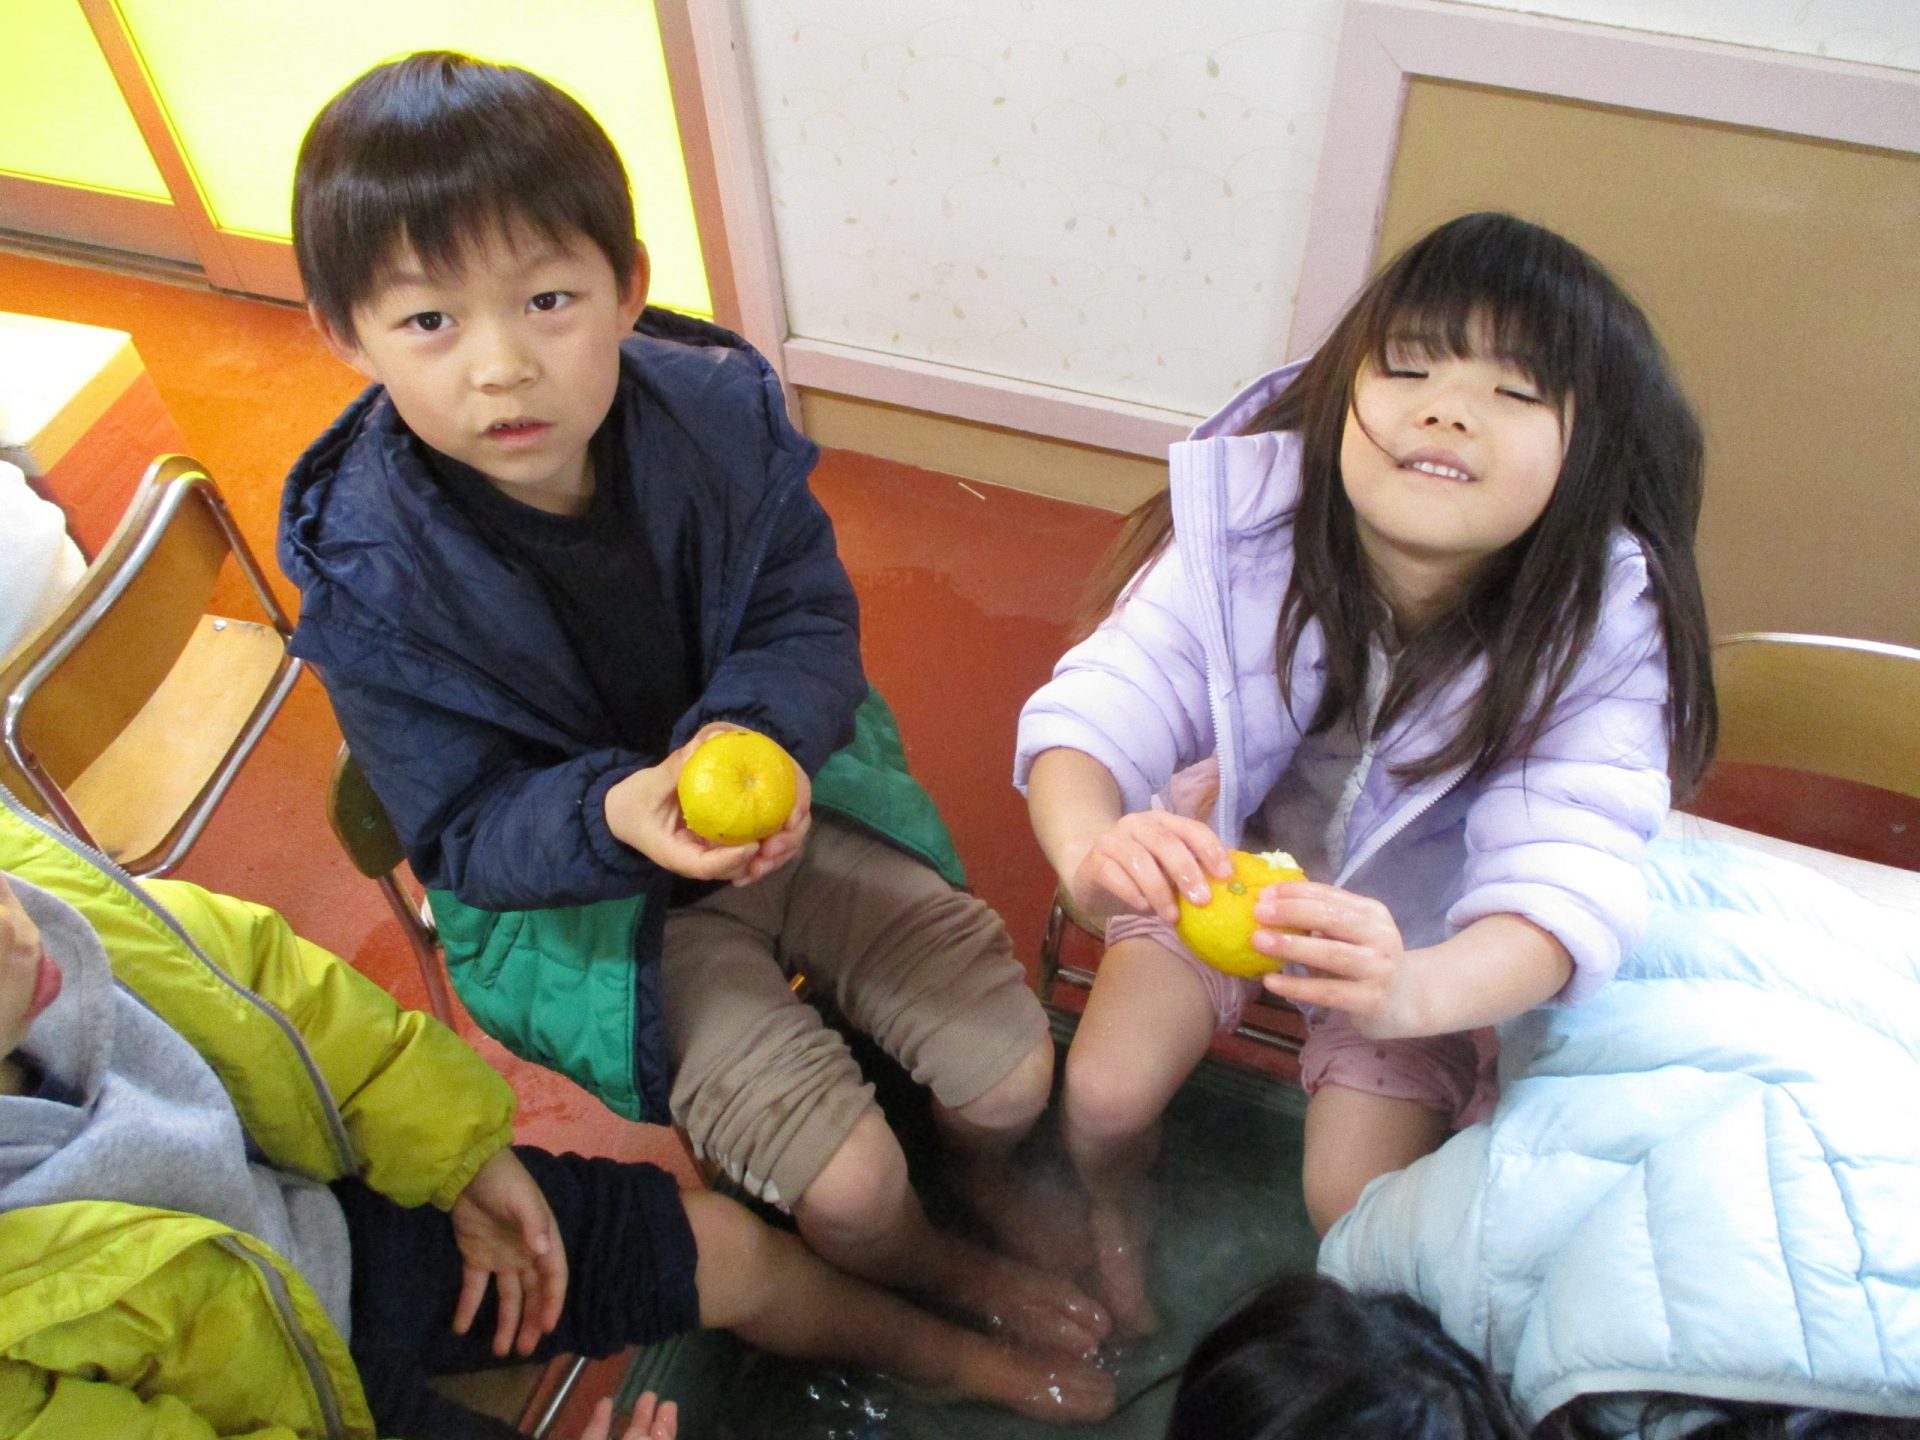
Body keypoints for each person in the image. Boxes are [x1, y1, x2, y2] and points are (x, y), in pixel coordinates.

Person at [276, 50, 1110, 1391]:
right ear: (344, 336)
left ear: (628, 287)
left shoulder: (717, 420)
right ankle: (924, 1265)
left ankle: (980, 1176)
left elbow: (803, 615)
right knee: (849, 1189)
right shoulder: (370, 577)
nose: (502, 367)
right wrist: (616, 814)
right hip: (587, 911)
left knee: (1012, 1080)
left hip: (794, 805)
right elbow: (465, 833)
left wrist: (756, 732)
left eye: (548, 300)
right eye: (429, 320)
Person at [1017, 212, 1716, 1331]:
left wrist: (1410, 993)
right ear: (1343, 392)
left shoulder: (1598, 629)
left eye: (1515, 390)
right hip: (1227, 856)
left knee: (1353, 1204)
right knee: (1100, 1097)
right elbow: (1106, 698)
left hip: (1420, 936)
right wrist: (1089, 846)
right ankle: (1115, 1211)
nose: (1447, 407)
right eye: (1410, 365)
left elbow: (1565, 883)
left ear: (1591, 453)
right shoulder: (1258, 528)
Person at [0, 787, 1119, 1434]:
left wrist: (461, 1154)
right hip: (278, 1403)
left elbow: (265, 987)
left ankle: (939, 1349)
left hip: (323, 1217)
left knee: (729, 1247)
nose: (16, 927)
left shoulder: (36, 896)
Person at [1169, 836, 1920, 1438]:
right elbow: (1359, 1255)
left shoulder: (1483, 1247)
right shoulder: (1462, 1244)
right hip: (1691, 924)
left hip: (1780, 956)